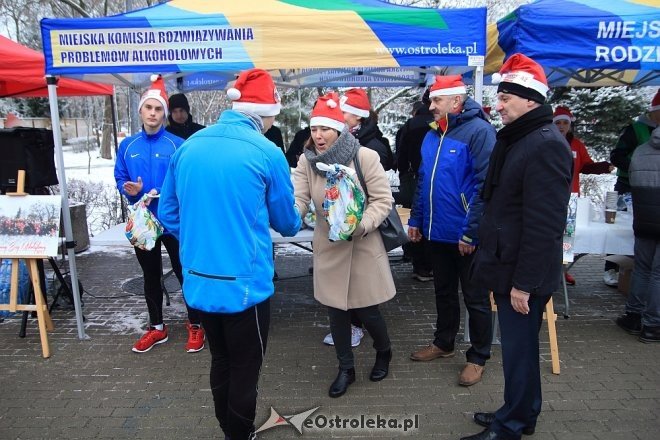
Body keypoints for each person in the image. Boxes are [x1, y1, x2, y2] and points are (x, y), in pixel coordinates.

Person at [158, 68, 301, 440]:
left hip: (199, 280)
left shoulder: (189, 146)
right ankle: (239, 434)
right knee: (245, 367)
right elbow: (288, 223)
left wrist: (202, 236)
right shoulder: (267, 151)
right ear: (264, 112)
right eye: (274, 113)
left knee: (220, 359)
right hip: (245, 285)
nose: (274, 121)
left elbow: (168, 214)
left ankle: (228, 429)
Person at [464, 53, 572, 440]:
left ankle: (510, 427)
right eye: (500, 96)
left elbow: (545, 226)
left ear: (531, 100)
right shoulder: (519, 139)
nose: (499, 103)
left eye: (507, 97)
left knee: (519, 350)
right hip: (506, 263)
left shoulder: (545, 144)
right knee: (518, 350)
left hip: (521, 273)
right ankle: (520, 413)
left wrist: (524, 283)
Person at [293, 92, 395, 398]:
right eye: (313, 129)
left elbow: (383, 201)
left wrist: (361, 225)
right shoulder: (306, 162)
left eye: (324, 129)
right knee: (336, 313)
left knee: (368, 312)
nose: (318, 135)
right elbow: (298, 199)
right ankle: (346, 369)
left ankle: (384, 350)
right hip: (329, 248)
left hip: (362, 245)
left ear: (339, 129)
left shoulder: (364, 157)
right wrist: (289, 217)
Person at [407, 75, 496, 387]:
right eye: (431, 100)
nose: (430, 106)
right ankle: (444, 343)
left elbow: (485, 189)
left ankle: (478, 356)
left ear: (456, 102)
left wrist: (471, 233)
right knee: (443, 292)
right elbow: (423, 181)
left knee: (475, 297)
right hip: (436, 230)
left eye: (436, 101)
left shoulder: (480, 132)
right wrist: (416, 219)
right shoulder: (433, 134)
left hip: (464, 235)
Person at [114, 75, 205, 354]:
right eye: (148, 108)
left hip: (175, 222)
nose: (153, 114)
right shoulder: (128, 145)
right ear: (140, 111)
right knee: (150, 276)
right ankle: (157, 328)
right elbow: (120, 176)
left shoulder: (178, 144)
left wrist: (172, 194)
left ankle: (196, 325)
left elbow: (190, 179)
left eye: (158, 109)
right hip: (143, 223)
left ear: (164, 114)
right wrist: (130, 189)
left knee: (183, 272)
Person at [553, 105, 614, 285]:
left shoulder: (577, 145)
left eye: (565, 123)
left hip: (571, 198)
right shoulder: (547, 141)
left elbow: (586, 166)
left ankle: (564, 270)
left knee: (568, 237)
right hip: (550, 197)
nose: (562, 126)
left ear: (570, 125)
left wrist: (603, 167)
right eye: (558, 123)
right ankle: (549, 269)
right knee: (550, 234)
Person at [605, 90, 660, 287]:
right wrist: (635, 169)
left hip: (654, 190)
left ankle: (637, 269)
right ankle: (611, 268)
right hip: (627, 185)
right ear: (653, 112)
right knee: (615, 229)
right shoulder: (636, 129)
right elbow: (617, 155)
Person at [615, 127, 660, 343]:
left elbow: (631, 178)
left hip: (643, 219)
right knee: (658, 274)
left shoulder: (641, 151)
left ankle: (633, 316)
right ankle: (652, 326)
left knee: (642, 269)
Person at [395, 99, 434, 282]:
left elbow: (401, 153)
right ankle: (433, 265)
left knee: (415, 221)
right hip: (436, 180)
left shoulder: (410, 125)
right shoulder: (441, 123)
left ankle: (420, 266)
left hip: (413, 179)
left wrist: (402, 169)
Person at [340, 88, 394, 171]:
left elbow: (376, 181)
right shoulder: (338, 138)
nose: (339, 116)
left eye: (343, 112)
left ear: (358, 115)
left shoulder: (374, 147)